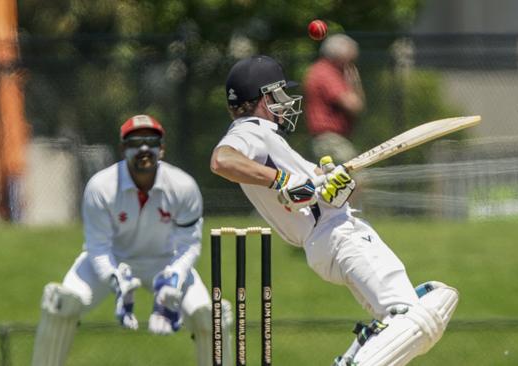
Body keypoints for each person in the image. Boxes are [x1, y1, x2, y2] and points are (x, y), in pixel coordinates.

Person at [210, 55, 458, 366]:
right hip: (339, 237)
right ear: (261, 98)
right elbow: (223, 161)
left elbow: (313, 188)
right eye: (278, 95)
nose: (286, 103)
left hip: (328, 238)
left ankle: (355, 356)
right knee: (417, 313)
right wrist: (284, 181)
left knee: (426, 301)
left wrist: (334, 184)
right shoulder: (251, 130)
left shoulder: (268, 140)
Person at [32, 115, 233, 366]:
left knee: (210, 317)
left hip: (166, 262)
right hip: (113, 259)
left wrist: (174, 278)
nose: (144, 148)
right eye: (135, 142)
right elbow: (97, 247)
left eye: (152, 141)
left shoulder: (183, 186)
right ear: (123, 148)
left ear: (162, 148)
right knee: (60, 304)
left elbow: (189, 244)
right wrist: (115, 278)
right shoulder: (101, 186)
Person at [304, 33, 366, 165]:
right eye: (350, 61)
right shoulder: (327, 73)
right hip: (330, 139)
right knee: (357, 178)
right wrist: (355, 83)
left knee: (339, 184)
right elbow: (354, 105)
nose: (351, 66)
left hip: (330, 139)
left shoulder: (321, 70)